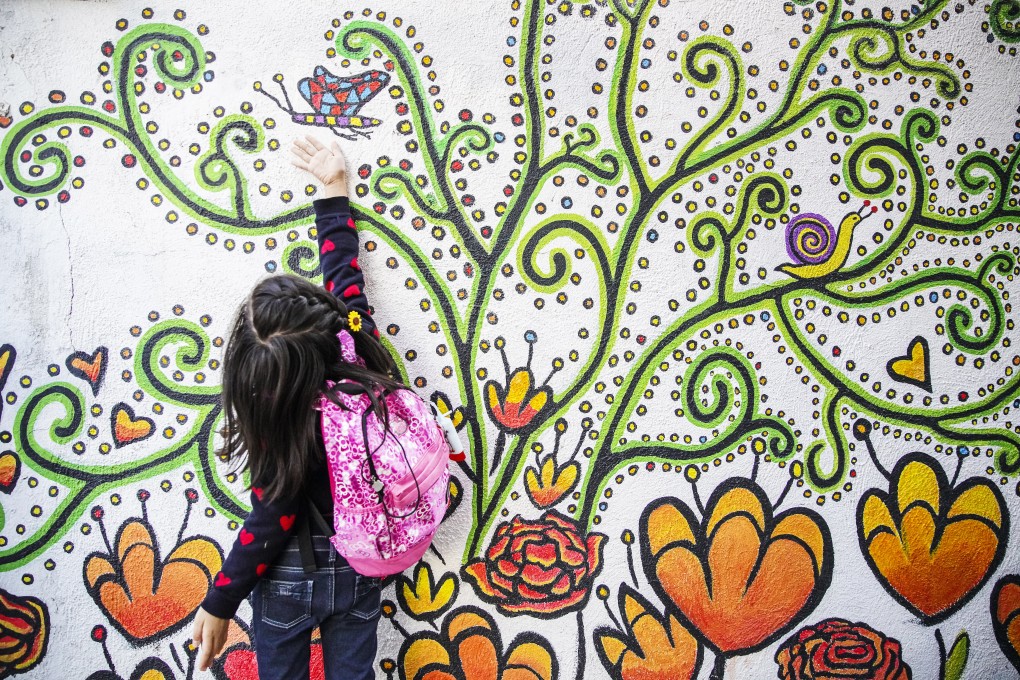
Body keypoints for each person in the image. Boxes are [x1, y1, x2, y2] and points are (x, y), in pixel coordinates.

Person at [191, 135, 403, 679]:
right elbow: (346, 283)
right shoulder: (356, 352)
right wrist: (334, 191)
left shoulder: (276, 415)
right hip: (358, 570)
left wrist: (220, 601)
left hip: (287, 579)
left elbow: (272, 516)